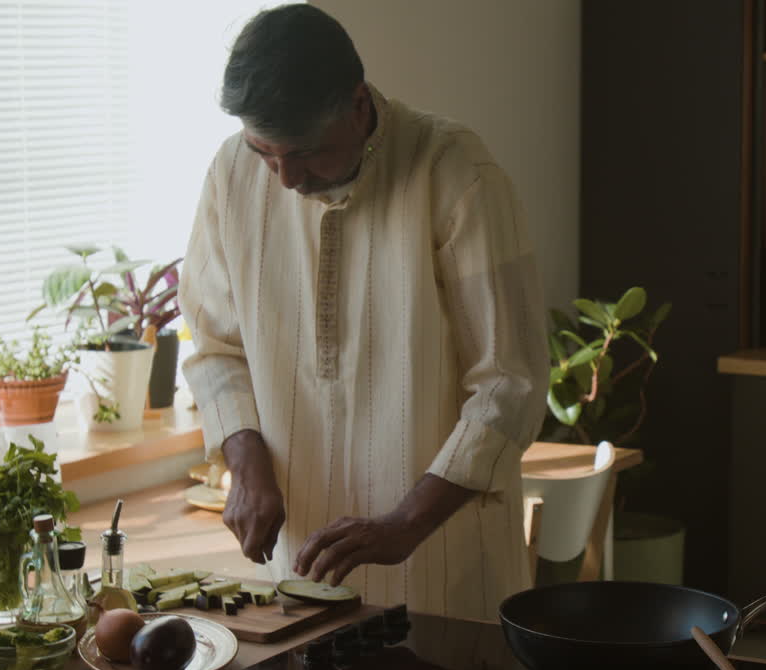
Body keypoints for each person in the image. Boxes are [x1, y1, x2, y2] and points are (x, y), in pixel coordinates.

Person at [179, 3, 548, 622]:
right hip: (295, 565)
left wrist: (405, 524)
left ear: (357, 105)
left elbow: (509, 384)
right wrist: (245, 464)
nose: (287, 179)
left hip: (439, 564)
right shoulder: (232, 174)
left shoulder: (457, 174)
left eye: (304, 153)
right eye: (264, 153)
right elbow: (216, 345)